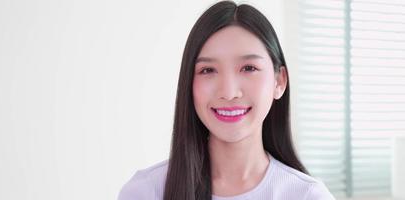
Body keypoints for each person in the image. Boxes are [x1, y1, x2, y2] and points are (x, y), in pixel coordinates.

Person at [118, 1, 335, 199]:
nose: (229, 92)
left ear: (279, 81)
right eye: (208, 70)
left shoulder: (307, 195)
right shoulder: (145, 192)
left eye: (249, 68)